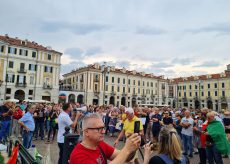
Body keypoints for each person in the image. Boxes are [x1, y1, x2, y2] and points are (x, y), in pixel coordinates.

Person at [69, 113, 141, 164]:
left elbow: (125, 157)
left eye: (103, 128)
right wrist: (127, 149)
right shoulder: (79, 156)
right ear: (87, 132)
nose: (103, 131)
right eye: (99, 129)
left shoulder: (99, 144)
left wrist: (133, 147)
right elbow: (124, 154)